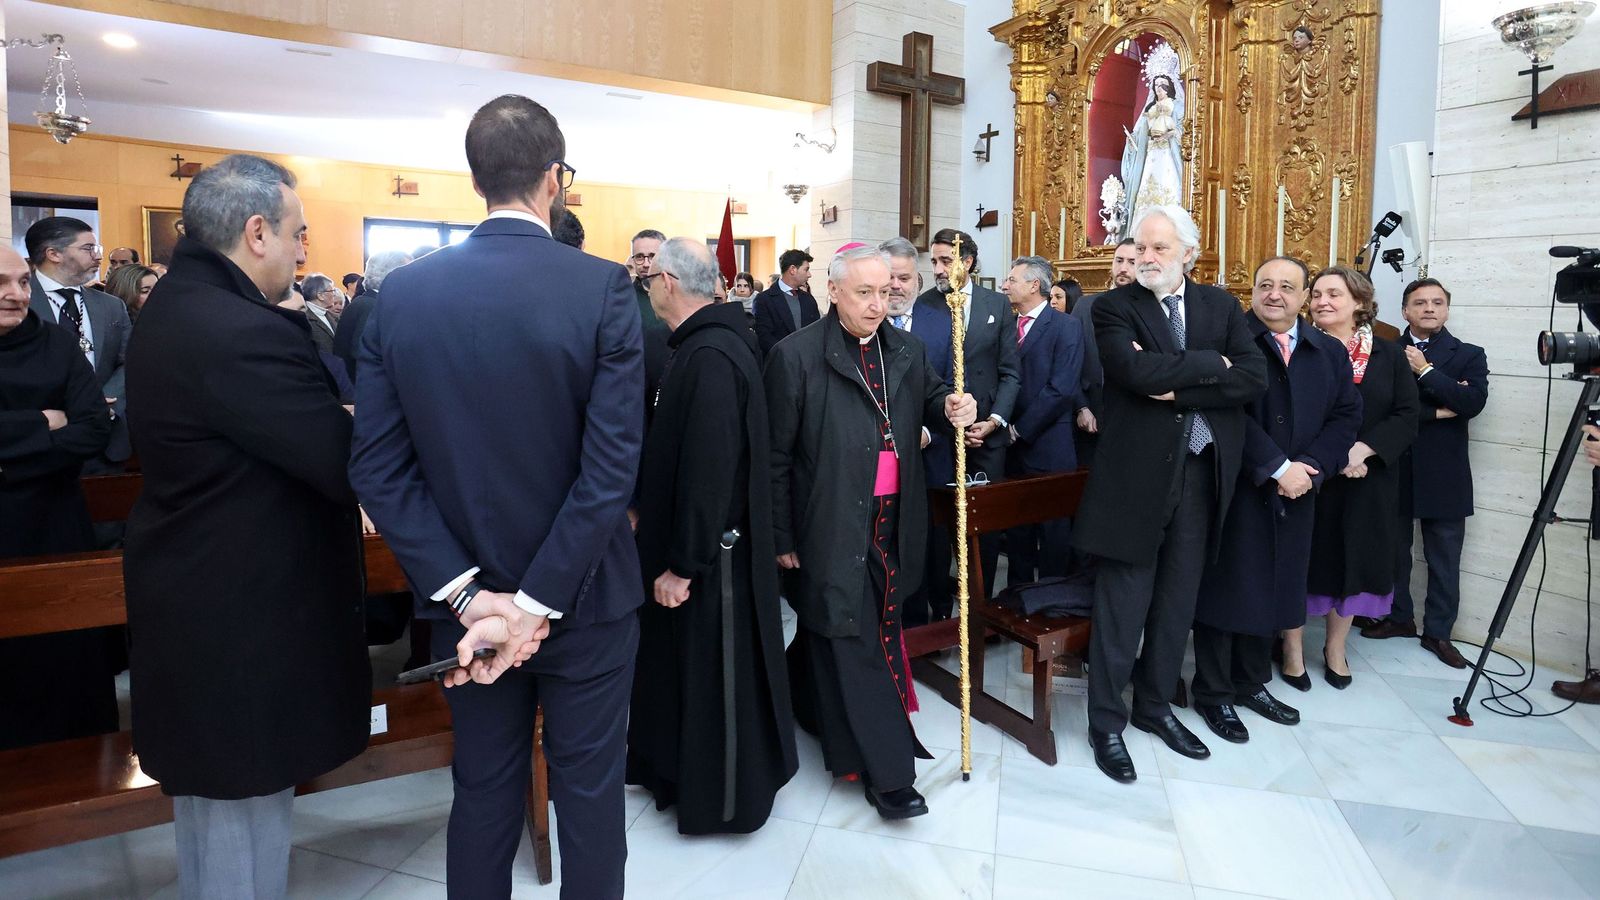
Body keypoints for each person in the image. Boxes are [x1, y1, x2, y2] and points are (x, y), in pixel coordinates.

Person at [349, 94, 642, 900]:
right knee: (588, 794)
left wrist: (476, 599)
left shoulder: (401, 296)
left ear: (477, 179)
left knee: (481, 791)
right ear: (556, 179)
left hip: (462, 608)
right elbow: (610, 469)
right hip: (584, 598)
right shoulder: (603, 288)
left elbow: (377, 468)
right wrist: (536, 603)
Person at [122, 154, 370, 899]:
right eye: (297, 234)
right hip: (241, 613)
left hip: (201, 591)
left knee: (214, 805)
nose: (304, 251)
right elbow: (337, 459)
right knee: (241, 806)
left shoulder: (179, 303)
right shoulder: (238, 328)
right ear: (257, 232)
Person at [766, 245, 977, 819]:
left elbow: (930, 396)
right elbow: (775, 458)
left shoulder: (905, 348)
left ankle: (800, 702)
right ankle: (889, 775)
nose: (878, 304)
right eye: (865, 293)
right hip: (831, 519)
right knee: (853, 631)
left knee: (859, 623)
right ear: (833, 291)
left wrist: (955, 405)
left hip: (893, 516)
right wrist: (782, 536)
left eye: (886, 292)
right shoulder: (795, 356)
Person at [1075, 205, 1266, 783]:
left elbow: (1252, 378)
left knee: (1177, 602)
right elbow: (1135, 378)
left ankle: (1154, 707)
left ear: (1190, 252)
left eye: (1161, 248)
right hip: (1135, 480)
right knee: (1122, 606)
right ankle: (1106, 721)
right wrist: (1212, 367)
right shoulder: (1113, 307)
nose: (1147, 257)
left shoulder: (1220, 306)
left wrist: (1176, 383)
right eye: (1142, 246)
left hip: (1203, 476)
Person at [627, 237, 797, 834]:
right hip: (699, 550)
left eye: (650, 276)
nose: (645, 285)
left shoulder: (712, 356)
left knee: (713, 679)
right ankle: (672, 771)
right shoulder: (701, 346)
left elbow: (710, 471)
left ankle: (721, 799)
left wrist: (682, 564)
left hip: (711, 560)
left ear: (670, 281)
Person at [1190, 257, 1361, 743]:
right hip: (1237, 488)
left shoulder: (1326, 350)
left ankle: (1251, 683)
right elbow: (1226, 412)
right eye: (1265, 285)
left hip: (1300, 489)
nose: (1274, 294)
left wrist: (1311, 466)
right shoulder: (1228, 343)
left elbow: (1346, 415)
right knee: (1226, 591)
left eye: (1287, 287)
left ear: (1304, 297)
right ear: (1253, 292)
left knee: (1271, 590)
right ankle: (1213, 692)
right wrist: (1276, 467)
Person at [0, 244, 116, 750]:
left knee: (62, 648)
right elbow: (70, 429)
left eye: (23, 281)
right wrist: (40, 424)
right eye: (1, 283)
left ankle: (78, 756)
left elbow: (93, 429)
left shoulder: (56, 344)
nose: (15, 294)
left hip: (54, 518)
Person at [1281, 266, 1418, 690]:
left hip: (1367, 478)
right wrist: (1332, 454)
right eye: (1317, 294)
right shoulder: (1299, 347)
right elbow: (1290, 413)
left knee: (1353, 563)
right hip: (1311, 474)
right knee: (1301, 560)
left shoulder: (1389, 353)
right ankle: (1291, 649)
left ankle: (1335, 648)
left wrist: (1364, 450)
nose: (1322, 301)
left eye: (1333, 294)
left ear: (1359, 302)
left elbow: (1406, 413)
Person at [1361, 278, 1487, 669]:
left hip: (1444, 472)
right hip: (1395, 465)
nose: (1429, 308)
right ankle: (1399, 618)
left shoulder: (1469, 354)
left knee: (1444, 557)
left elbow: (1471, 402)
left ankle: (1438, 633)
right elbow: (1376, 410)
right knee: (1394, 551)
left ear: (1447, 309)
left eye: (1437, 303)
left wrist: (1428, 372)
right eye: (1420, 303)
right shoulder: (1383, 352)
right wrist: (1438, 410)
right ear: (1405, 311)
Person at [910, 229, 1020, 608]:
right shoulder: (924, 306)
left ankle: (980, 609)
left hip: (986, 437)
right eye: (934, 261)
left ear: (967, 262)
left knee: (984, 532)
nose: (937, 269)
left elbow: (1010, 372)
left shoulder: (997, 304)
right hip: (940, 438)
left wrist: (993, 421)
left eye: (945, 261)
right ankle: (940, 613)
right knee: (939, 532)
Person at [26, 217, 132, 476]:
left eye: (98, 249)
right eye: (88, 249)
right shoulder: (19, 303)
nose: (98, 257)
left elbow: (130, 361)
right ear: (54, 254)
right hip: (43, 441)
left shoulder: (110, 305)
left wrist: (98, 404)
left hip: (105, 442)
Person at [1001, 256, 1085, 582]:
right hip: (1009, 447)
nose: (1006, 285)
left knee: (1053, 533)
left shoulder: (1066, 326)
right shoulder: (1007, 325)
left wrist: (1020, 429)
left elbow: (1061, 388)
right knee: (1017, 529)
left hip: (1049, 444)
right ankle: (1017, 597)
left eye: (1012, 279)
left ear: (1034, 285)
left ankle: (1049, 601)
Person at [1072, 239, 1138, 468]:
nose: (1123, 268)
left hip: (1133, 419)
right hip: (1090, 414)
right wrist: (1081, 407)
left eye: (1132, 262)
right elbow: (1072, 361)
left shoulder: (1150, 310)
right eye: (1119, 260)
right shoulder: (1085, 306)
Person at [331, 249, 411, 383]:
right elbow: (364, 356)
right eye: (409, 273)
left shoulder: (367, 302)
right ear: (390, 275)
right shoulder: (371, 306)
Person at [1120, 71, 1185, 228]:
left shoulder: (1176, 106)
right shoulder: (1150, 108)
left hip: (1168, 153)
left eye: (1162, 85)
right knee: (1147, 188)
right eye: (1156, 85)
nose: (1159, 88)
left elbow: (1183, 128)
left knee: (1167, 185)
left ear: (1169, 87)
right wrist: (1132, 140)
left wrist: (1170, 134)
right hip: (1151, 155)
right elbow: (1141, 133)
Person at [630, 228, 672, 415]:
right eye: (639, 257)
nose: (646, 264)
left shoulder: (679, 294)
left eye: (652, 256)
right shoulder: (623, 298)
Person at [752, 248, 819, 357]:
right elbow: (764, 338)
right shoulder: (764, 300)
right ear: (793, 269)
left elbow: (817, 333)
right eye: (806, 269)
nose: (809, 275)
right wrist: (789, 356)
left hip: (808, 366)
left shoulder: (809, 300)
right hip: (778, 365)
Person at [298, 272, 342, 353]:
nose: (334, 294)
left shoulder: (333, 316)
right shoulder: (303, 318)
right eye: (332, 291)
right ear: (320, 296)